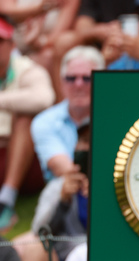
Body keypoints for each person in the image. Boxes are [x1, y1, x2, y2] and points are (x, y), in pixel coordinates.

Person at [15, 121, 90, 261]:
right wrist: (63, 201)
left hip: (95, 258)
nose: (85, 148)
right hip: (62, 259)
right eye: (82, 141)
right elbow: (39, 231)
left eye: (90, 142)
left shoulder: (113, 188)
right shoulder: (57, 187)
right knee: (34, 248)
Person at [0, 15, 55, 232]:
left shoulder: (26, 68)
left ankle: (6, 200)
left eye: (0, 41)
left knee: (26, 118)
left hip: (24, 161)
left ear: (12, 45)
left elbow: (44, 98)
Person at [31, 45, 103, 181]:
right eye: (71, 78)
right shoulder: (44, 121)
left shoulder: (112, 119)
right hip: (63, 195)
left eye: (87, 78)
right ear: (61, 83)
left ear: (101, 82)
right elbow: (62, 168)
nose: (79, 84)